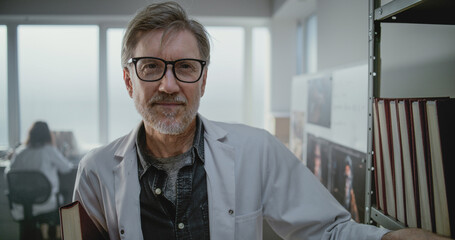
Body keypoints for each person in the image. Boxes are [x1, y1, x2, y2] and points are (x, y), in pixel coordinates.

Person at [73, 2, 452, 240]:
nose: (169, 85)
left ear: (203, 79)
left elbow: (327, 231)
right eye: (152, 67)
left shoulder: (257, 150)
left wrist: (390, 239)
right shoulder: (97, 170)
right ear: (129, 80)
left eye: (185, 67)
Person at [7, 121, 74, 239]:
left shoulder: (20, 152)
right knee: (67, 196)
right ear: (47, 135)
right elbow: (66, 168)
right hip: (45, 203)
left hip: (21, 205)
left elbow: (9, 173)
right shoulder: (49, 150)